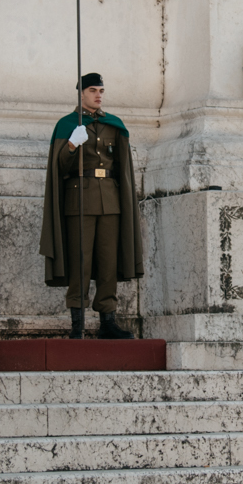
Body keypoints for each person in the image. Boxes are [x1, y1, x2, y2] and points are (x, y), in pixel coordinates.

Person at [40, 74, 145, 338]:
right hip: (79, 201)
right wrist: (73, 144)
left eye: (101, 90)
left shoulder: (114, 125)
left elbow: (122, 168)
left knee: (108, 264)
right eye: (92, 90)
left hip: (110, 202)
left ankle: (107, 322)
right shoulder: (67, 125)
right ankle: (78, 325)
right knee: (81, 263)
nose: (98, 95)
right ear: (81, 94)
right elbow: (60, 167)